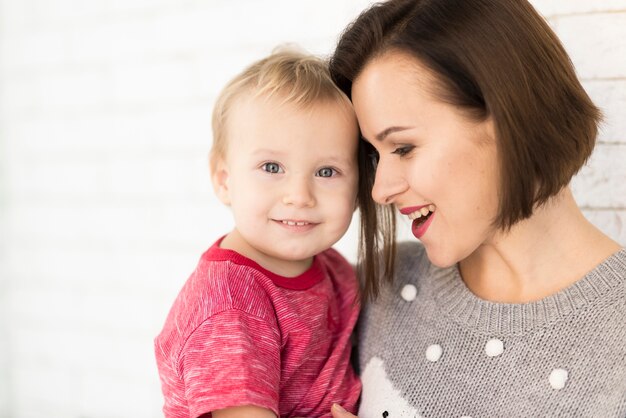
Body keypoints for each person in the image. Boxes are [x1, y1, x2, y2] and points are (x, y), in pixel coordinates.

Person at [326, 0, 626, 417]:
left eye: (404, 147)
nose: (381, 190)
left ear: (508, 115)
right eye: (376, 156)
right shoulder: (374, 291)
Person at [154, 49, 362, 418]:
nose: (299, 196)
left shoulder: (334, 269)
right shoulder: (229, 303)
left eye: (327, 172)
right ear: (224, 180)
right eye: (272, 167)